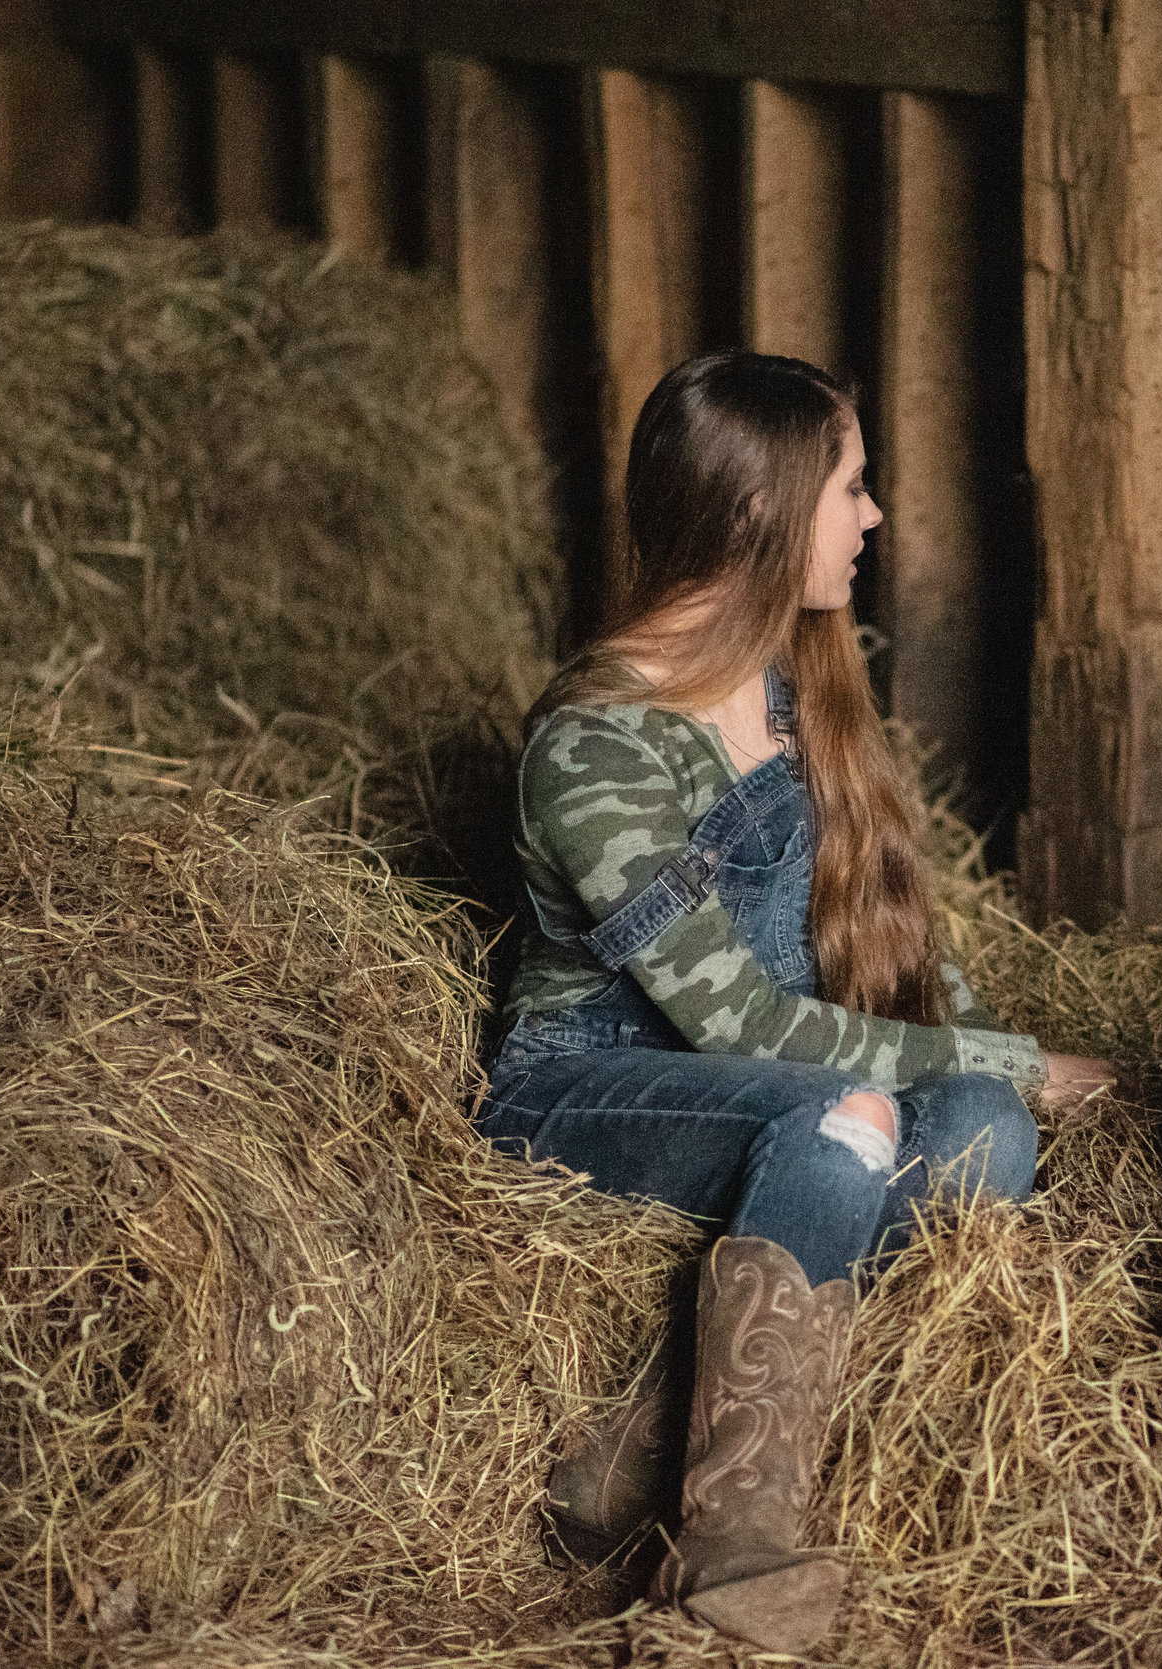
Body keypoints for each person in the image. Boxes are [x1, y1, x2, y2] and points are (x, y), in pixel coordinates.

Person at [477, 349, 1116, 1654]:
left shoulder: (796, 689)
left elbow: (888, 943)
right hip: (591, 1088)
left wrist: (985, 1063)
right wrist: (1016, 1050)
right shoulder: (595, 744)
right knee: (848, 1115)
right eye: (853, 486)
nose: (874, 517)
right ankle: (733, 1548)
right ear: (765, 513)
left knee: (986, 1130)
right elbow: (739, 1026)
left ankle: (635, 1443)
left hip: (801, 1083)